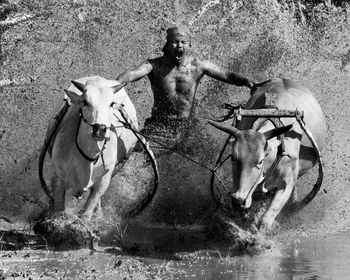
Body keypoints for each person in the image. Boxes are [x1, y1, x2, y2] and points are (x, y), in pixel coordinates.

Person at [115, 25, 254, 156]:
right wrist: (115, 84)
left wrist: (248, 82)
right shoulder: (154, 65)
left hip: (188, 129)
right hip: (159, 127)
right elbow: (132, 74)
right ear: (168, 44)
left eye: (183, 42)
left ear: (189, 45)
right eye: (175, 42)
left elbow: (227, 75)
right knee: (136, 157)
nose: (179, 45)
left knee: (211, 158)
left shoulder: (198, 66)